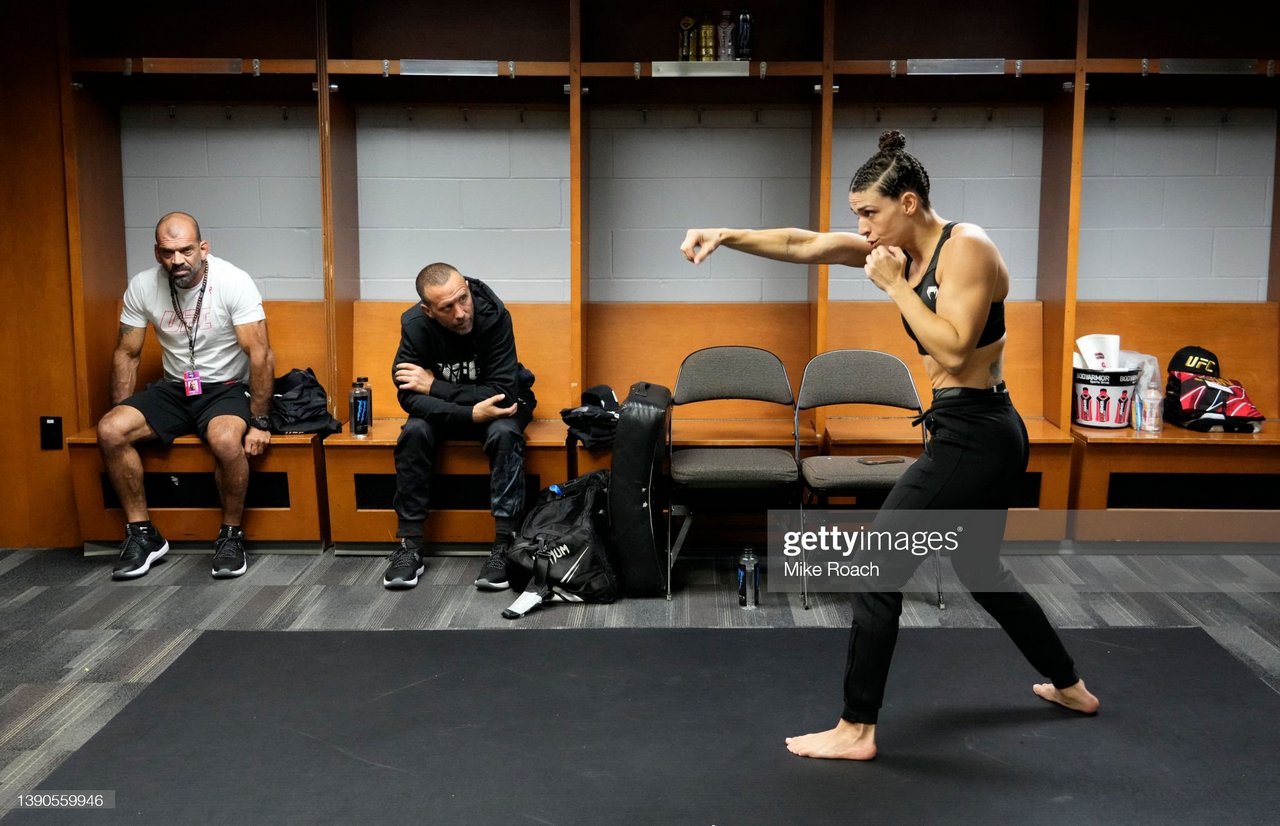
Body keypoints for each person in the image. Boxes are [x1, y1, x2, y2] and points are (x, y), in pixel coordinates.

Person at [680, 130, 1099, 761]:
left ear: (907, 203)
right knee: (981, 569)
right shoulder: (897, 249)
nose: (862, 229)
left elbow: (955, 348)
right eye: (857, 216)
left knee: (876, 569)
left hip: (976, 434)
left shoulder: (967, 249)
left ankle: (857, 728)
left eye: (869, 213)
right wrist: (726, 234)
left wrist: (894, 288)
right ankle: (1070, 686)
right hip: (970, 430)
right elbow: (805, 242)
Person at [98, 212, 275, 580]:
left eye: (186, 250)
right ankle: (143, 534)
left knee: (226, 440)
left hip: (224, 388)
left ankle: (230, 536)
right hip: (174, 388)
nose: (177, 260)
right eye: (167, 252)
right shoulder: (143, 286)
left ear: (203, 248)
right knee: (111, 430)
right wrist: (123, 407)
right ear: (157, 253)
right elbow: (126, 352)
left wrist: (259, 421)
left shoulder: (232, 281)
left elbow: (259, 354)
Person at [384, 263, 535, 591]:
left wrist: (435, 386)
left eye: (463, 298)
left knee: (505, 432)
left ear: (467, 286)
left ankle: (504, 544)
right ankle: (410, 545)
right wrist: (469, 414)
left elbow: (503, 392)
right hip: (458, 411)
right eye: (447, 308)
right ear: (428, 310)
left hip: (497, 407)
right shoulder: (414, 325)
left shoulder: (493, 316)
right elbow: (409, 397)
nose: (461, 313)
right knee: (413, 432)